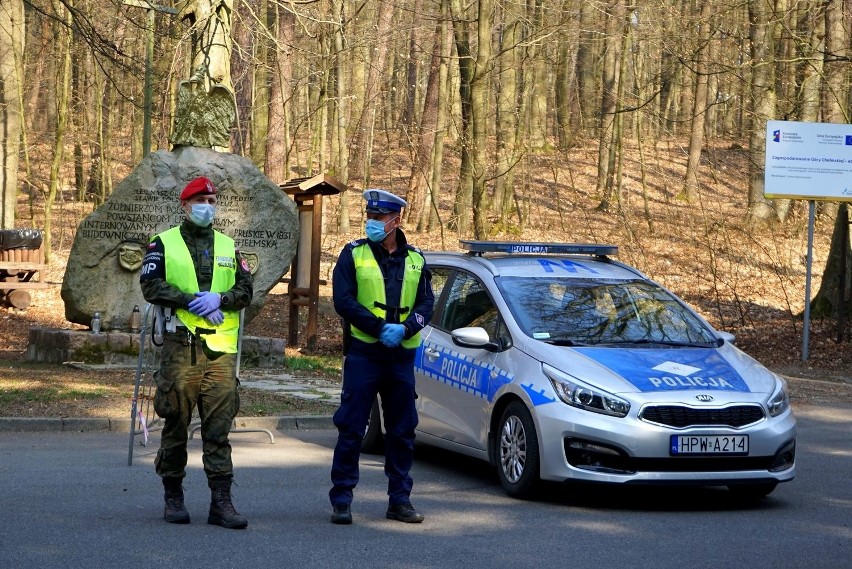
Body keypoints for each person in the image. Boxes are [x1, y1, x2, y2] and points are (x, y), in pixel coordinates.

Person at [140, 176, 253, 529]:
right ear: (185, 206)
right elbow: (151, 285)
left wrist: (220, 299)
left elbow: (246, 289)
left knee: (219, 429)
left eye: (212, 200)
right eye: (201, 200)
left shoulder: (227, 246)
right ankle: (173, 495)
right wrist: (193, 301)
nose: (209, 206)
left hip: (219, 352)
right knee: (175, 423)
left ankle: (221, 502)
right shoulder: (162, 243)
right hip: (180, 348)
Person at [328, 189, 434, 525]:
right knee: (352, 429)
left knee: (402, 431)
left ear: (396, 220)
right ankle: (342, 500)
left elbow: (426, 305)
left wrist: (404, 329)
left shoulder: (416, 260)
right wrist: (378, 327)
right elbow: (343, 301)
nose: (371, 222)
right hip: (365, 354)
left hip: (401, 357)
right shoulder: (353, 254)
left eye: (378, 217)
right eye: (369, 216)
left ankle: (399, 500)